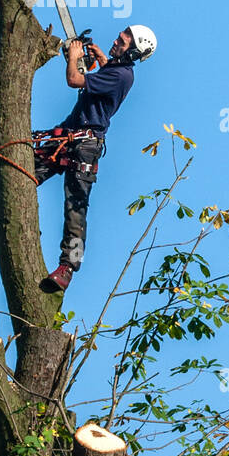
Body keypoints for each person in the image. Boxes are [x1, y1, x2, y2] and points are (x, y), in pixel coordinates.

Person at [35, 24, 156, 293]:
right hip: (68, 136)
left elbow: (75, 81)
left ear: (133, 53)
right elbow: (106, 69)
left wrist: (75, 59)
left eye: (122, 43)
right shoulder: (115, 70)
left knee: (76, 208)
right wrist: (99, 56)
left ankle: (68, 267)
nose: (116, 42)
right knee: (25, 169)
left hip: (84, 146)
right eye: (119, 37)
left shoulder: (122, 75)